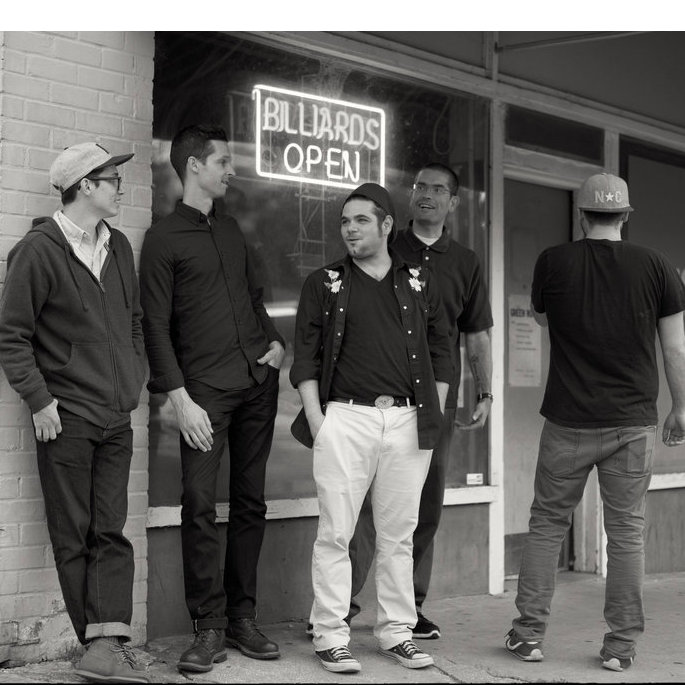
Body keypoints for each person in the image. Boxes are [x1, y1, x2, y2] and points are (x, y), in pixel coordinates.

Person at [505, 173, 685, 672]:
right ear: (626, 214)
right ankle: (620, 647)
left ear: (581, 216)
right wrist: (681, 407)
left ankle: (528, 636)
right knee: (626, 533)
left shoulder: (554, 261)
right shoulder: (657, 266)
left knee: (546, 525)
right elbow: (675, 348)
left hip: (568, 420)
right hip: (633, 423)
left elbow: (543, 318)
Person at [0, 142, 149, 683]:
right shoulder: (37, 251)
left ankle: (108, 644)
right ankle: (99, 646)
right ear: (85, 185)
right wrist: (40, 401)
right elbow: (12, 336)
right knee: (74, 534)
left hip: (116, 414)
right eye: (112, 180)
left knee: (112, 531)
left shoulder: (119, 246)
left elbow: (133, 321)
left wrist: (133, 377)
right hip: (66, 418)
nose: (120, 188)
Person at [139, 125, 285, 673]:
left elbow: (253, 298)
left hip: (256, 383)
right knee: (199, 502)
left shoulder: (231, 230)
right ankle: (208, 626)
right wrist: (179, 399)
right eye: (223, 161)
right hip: (203, 394)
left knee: (250, 502)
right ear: (194, 165)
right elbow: (154, 326)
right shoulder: (162, 239)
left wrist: (275, 342)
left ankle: (243, 617)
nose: (231, 170)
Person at [290, 182, 453, 673]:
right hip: (345, 418)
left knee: (399, 535)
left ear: (386, 225)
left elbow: (442, 352)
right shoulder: (325, 283)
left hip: (408, 419)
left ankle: (397, 632)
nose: (350, 229)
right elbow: (305, 358)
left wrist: (432, 411)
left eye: (361, 220)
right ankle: (329, 634)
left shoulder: (419, 282)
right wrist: (319, 421)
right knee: (336, 533)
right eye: (345, 221)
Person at [347, 162, 493, 639]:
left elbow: (477, 333)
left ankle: (409, 607)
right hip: (380, 394)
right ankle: (342, 603)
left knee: (424, 505)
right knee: (365, 504)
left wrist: (485, 390)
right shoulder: (387, 246)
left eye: (438, 189)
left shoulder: (466, 262)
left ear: (454, 202)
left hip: (437, 399)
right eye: (420, 187)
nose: (427, 194)